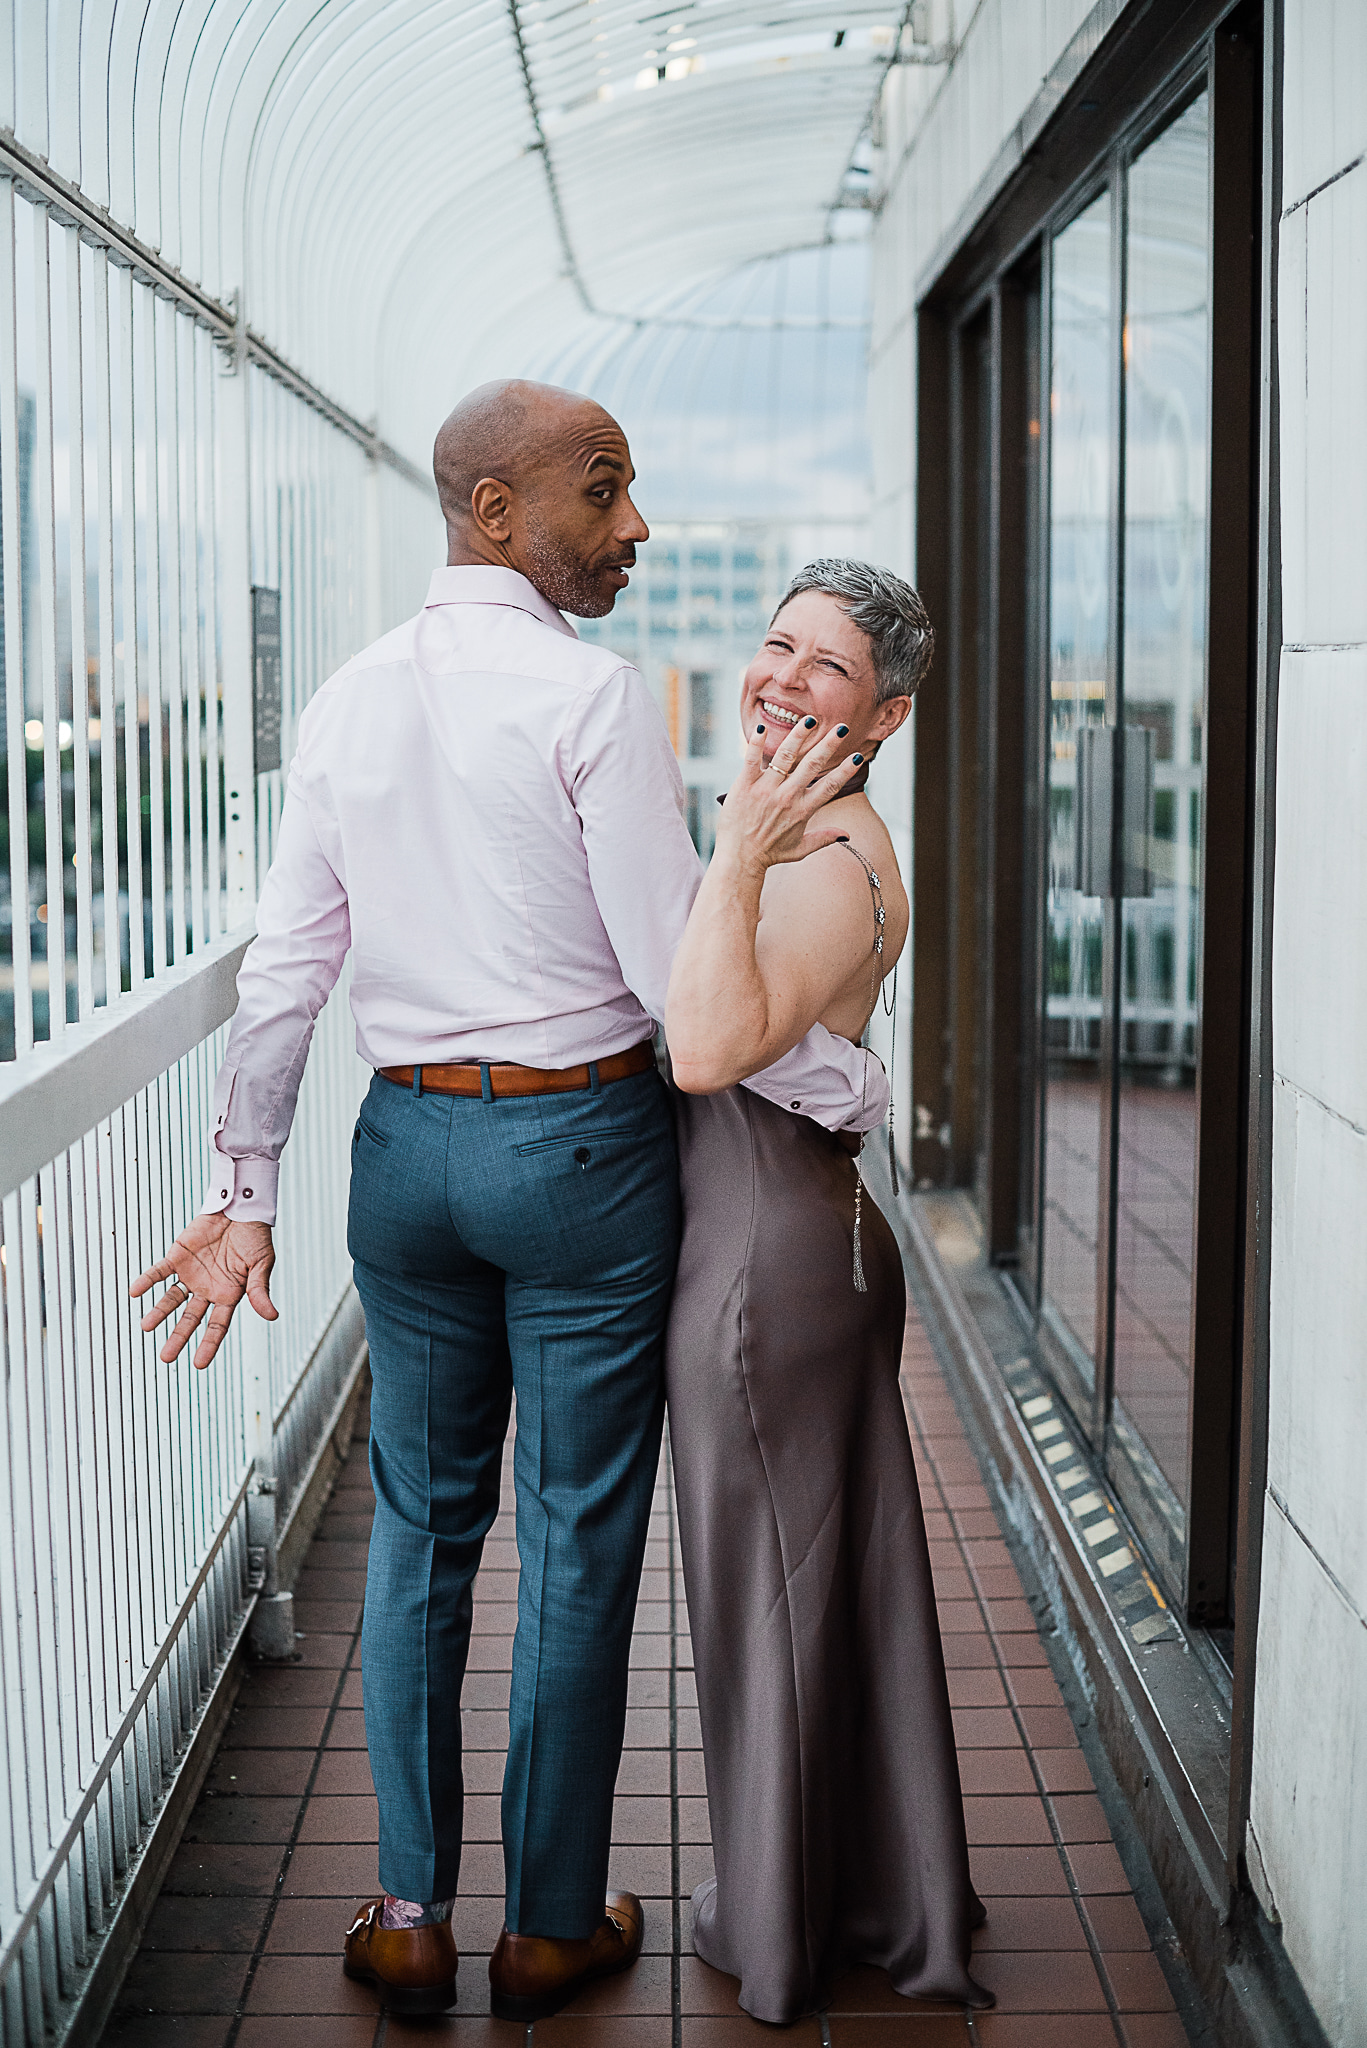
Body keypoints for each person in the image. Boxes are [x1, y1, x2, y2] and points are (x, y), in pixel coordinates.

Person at [129, 386, 889, 2022]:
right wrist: (853, 1091)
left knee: (418, 1530)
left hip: (401, 1161)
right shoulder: (596, 700)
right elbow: (683, 981)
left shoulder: (344, 702)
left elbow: (286, 977)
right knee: (574, 1533)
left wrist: (240, 1193)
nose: (635, 528)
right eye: (603, 493)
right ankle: (551, 1925)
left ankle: (405, 1913)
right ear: (495, 514)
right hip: (581, 1161)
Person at [664, 560, 995, 2025]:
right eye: (775, 646)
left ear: (890, 714)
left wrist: (730, 855)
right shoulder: (824, 838)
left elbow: (704, 1048)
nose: (784, 679)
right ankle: (873, 1890)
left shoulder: (820, 855)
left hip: (762, 1278)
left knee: (770, 1606)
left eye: (828, 669)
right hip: (807, 1249)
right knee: (827, 1595)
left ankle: (787, 1921)